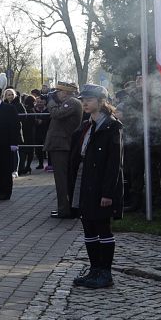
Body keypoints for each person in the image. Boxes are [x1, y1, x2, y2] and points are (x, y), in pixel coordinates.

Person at [68, 84, 123, 289]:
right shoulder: (86, 125)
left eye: (89, 100)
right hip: (84, 179)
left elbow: (114, 163)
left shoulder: (112, 126)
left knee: (102, 227)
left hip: (101, 183)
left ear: (101, 102)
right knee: (88, 226)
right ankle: (94, 270)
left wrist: (108, 193)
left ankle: (105, 273)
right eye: (83, 100)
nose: (85, 103)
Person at [45, 81, 83, 219]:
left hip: (62, 145)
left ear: (65, 92)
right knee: (61, 179)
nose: (56, 94)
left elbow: (56, 114)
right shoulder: (69, 102)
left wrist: (51, 101)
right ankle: (64, 207)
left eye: (58, 92)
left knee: (62, 180)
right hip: (60, 145)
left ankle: (65, 209)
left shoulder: (72, 102)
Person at [0, 85, 22, 200]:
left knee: (5, 169)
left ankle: (6, 192)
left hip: (5, 143)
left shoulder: (8, 108)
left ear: (0, 97)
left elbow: (15, 126)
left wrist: (14, 143)